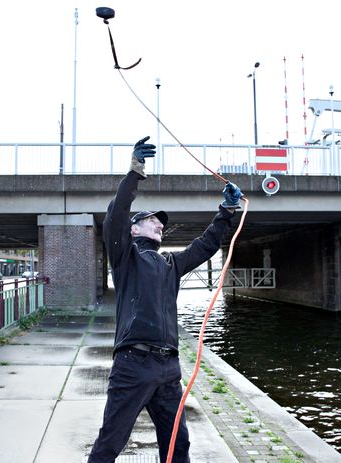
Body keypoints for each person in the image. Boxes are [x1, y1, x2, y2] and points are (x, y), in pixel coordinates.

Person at [87, 136, 242, 463]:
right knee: (110, 444)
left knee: (177, 445)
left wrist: (226, 211)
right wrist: (135, 172)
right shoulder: (125, 257)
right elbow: (116, 215)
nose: (160, 223)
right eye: (151, 219)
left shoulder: (170, 263)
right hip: (133, 365)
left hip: (168, 368)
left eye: (161, 222)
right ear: (133, 230)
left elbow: (205, 246)